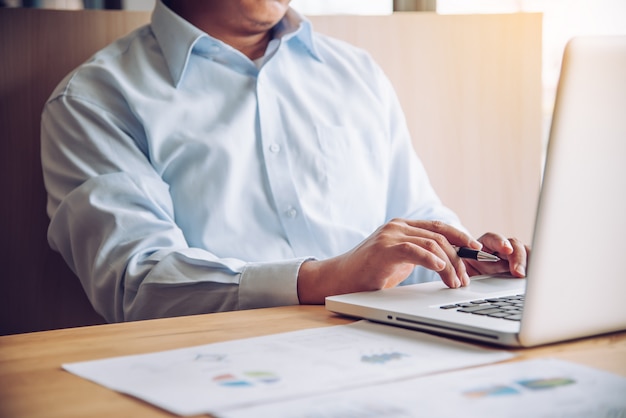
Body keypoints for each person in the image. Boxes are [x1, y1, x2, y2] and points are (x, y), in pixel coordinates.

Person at [41, 0, 529, 323]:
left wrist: (467, 259)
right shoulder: (94, 102)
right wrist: (328, 279)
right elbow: (138, 284)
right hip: (215, 367)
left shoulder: (355, 72)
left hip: (391, 347)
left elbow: (414, 218)